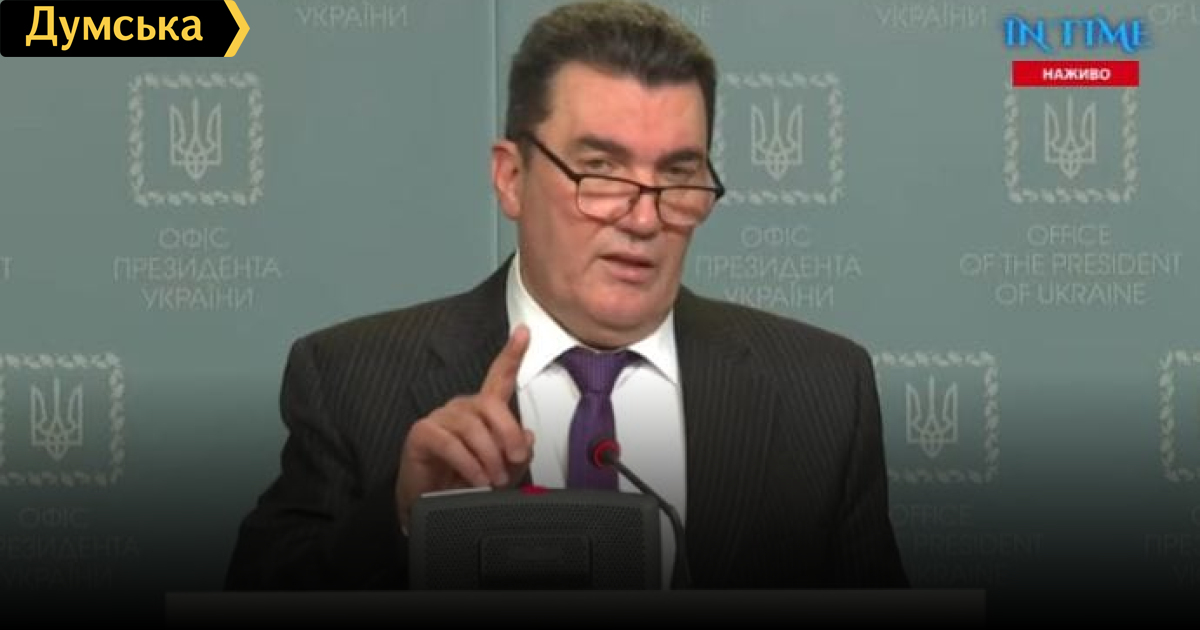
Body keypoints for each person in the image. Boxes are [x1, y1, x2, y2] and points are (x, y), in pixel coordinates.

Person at [225, 0, 907, 590]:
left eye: (678, 175)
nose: (644, 218)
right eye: (600, 170)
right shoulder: (351, 379)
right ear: (511, 178)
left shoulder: (823, 391)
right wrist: (401, 517)